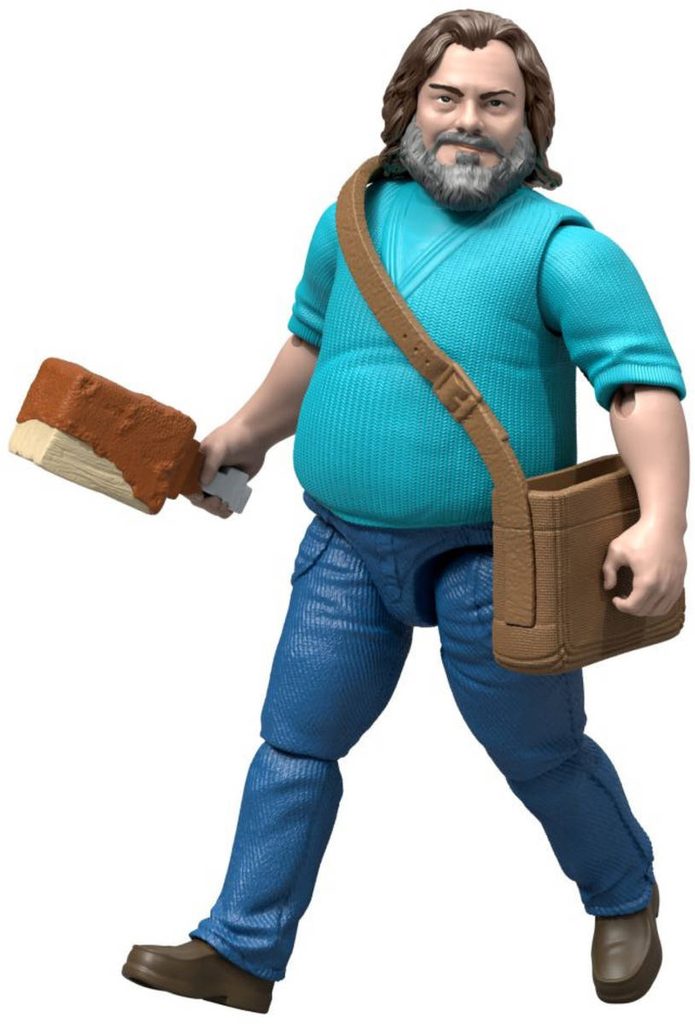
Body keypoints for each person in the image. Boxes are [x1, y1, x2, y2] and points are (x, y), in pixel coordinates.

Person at [122, 8, 688, 1010]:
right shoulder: (349, 223)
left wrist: (660, 522)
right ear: (408, 106)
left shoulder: (562, 249)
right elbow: (310, 346)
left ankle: (622, 893)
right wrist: (239, 437)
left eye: (495, 102)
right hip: (345, 547)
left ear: (531, 118)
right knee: (295, 742)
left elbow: (637, 386)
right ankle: (241, 948)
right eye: (445, 97)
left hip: (496, 555)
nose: (467, 120)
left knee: (538, 748)